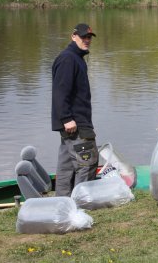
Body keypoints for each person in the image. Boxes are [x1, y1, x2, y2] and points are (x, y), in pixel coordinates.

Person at [51, 23, 99, 197]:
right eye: (83, 36)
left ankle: (61, 203)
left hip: (74, 123)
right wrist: (66, 118)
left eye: (89, 37)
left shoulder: (76, 58)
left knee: (67, 166)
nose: (86, 40)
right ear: (73, 36)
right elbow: (60, 91)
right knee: (87, 163)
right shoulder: (68, 59)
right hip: (75, 123)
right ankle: (81, 205)